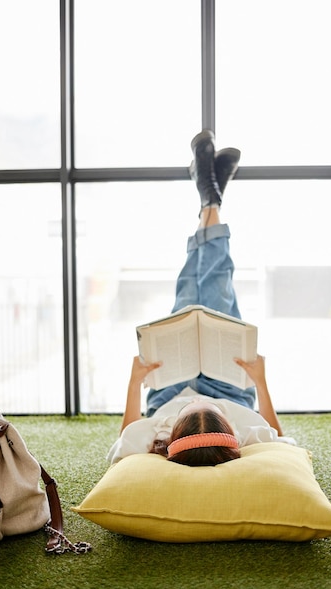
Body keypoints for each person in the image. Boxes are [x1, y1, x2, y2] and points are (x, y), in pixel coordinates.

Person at [107, 130, 295, 467]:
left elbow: (125, 441)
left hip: (168, 389)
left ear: (173, 433)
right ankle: (210, 198)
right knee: (214, 289)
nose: (199, 398)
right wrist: (260, 382)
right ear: (227, 423)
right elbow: (280, 443)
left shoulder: (155, 434)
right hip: (231, 387)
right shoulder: (242, 425)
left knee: (189, 293)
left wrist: (135, 383)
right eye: (211, 409)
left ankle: (209, 197)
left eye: (191, 409)